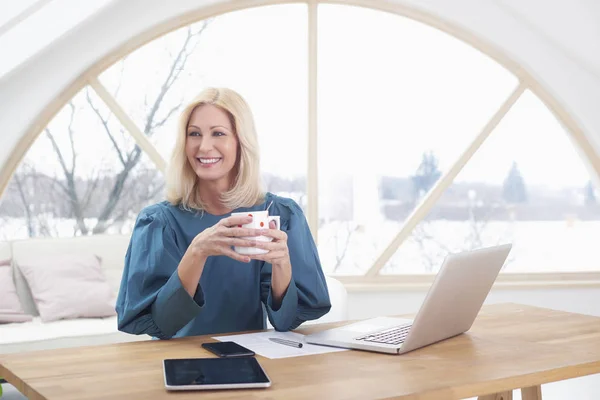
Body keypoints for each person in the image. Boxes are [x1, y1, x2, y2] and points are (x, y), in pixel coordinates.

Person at [115, 87, 331, 339]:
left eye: (218, 133)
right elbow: (161, 325)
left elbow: (286, 322)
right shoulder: (159, 222)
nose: (204, 146)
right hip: (179, 365)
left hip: (251, 360)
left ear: (241, 142)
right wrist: (197, 251)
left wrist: (282, 264)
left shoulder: (280, 214)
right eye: (194, 134)